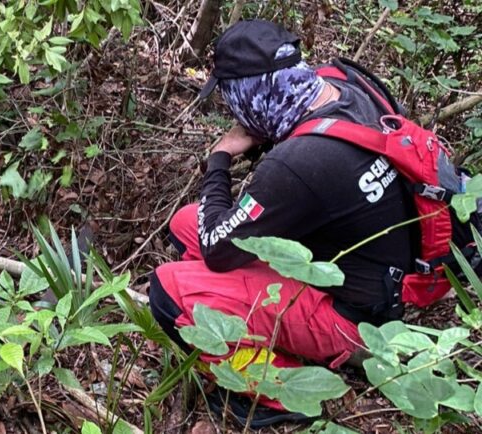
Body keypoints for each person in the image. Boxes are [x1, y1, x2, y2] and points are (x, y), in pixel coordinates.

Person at [149, 20, 414, 426]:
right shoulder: (347, 90)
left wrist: (219, 159)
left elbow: (218, 251)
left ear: (252, 94)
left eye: (231, 98)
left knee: (169, 289)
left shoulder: (299, 162)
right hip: (375, 279)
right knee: (188, 223)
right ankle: (253, 319)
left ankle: (276, 387)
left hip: (355, 320)